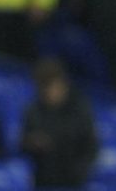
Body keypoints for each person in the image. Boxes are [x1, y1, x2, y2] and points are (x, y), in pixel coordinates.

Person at [20, 58, 99, 188]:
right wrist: (32, 143)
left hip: (72, 182)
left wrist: (77, 175)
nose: (46, 93)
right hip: (42, 180)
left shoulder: (80, 110)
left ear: (62, 84)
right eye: (41, 87)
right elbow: (22, 143)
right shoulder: (33, 110)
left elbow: (91, 147)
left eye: (49, 86)